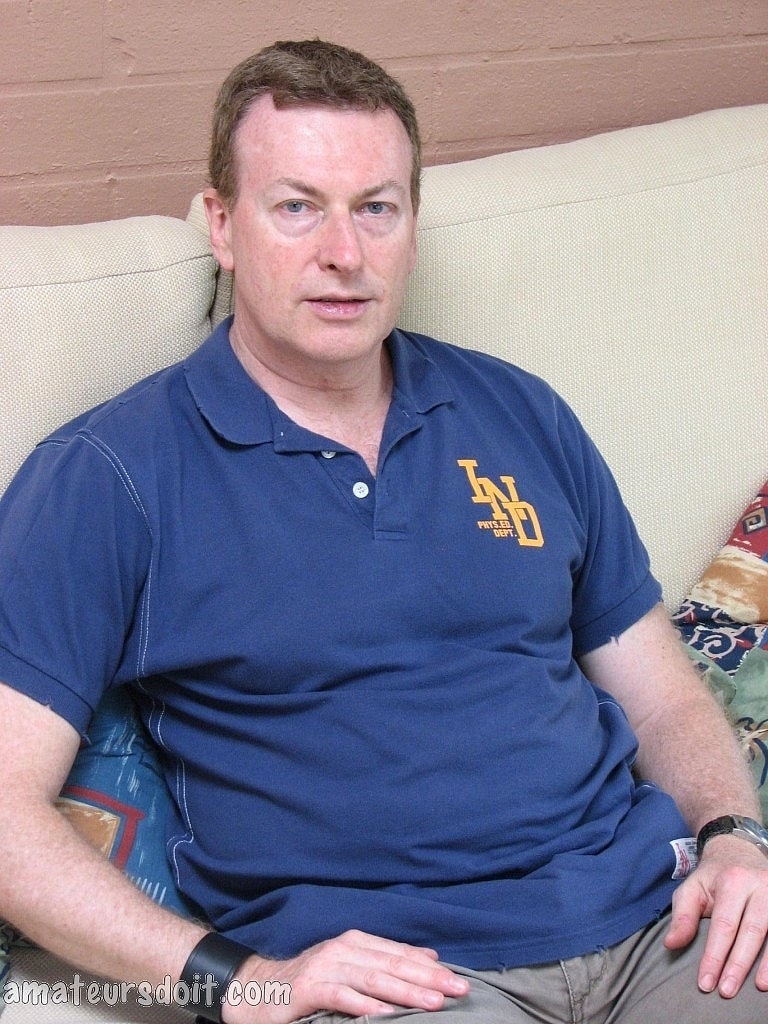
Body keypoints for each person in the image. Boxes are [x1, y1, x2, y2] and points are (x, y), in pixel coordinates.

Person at [1, 38, 768, 1024]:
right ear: (222, 226)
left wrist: (735, 835)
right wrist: (238, 979)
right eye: (297, 207)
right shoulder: (112, 476)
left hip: (661, 924)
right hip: (404, 980)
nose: (344, 254)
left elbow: (662, 698)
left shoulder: (519, 413)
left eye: (376, 208)